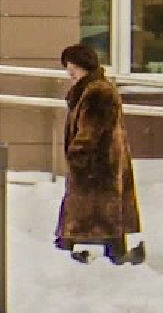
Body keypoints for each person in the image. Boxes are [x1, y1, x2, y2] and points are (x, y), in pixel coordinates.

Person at [57, 44, 145, 265]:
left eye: (71, 66)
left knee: (94, 210)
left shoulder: (96, 91)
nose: (69, 71)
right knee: (102, 212)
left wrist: (78, 154)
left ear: (82, 65)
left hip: (97, 164)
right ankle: (110, 252)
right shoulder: (91, 88)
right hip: (101, 163)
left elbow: (91, 129)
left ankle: (83, 253)